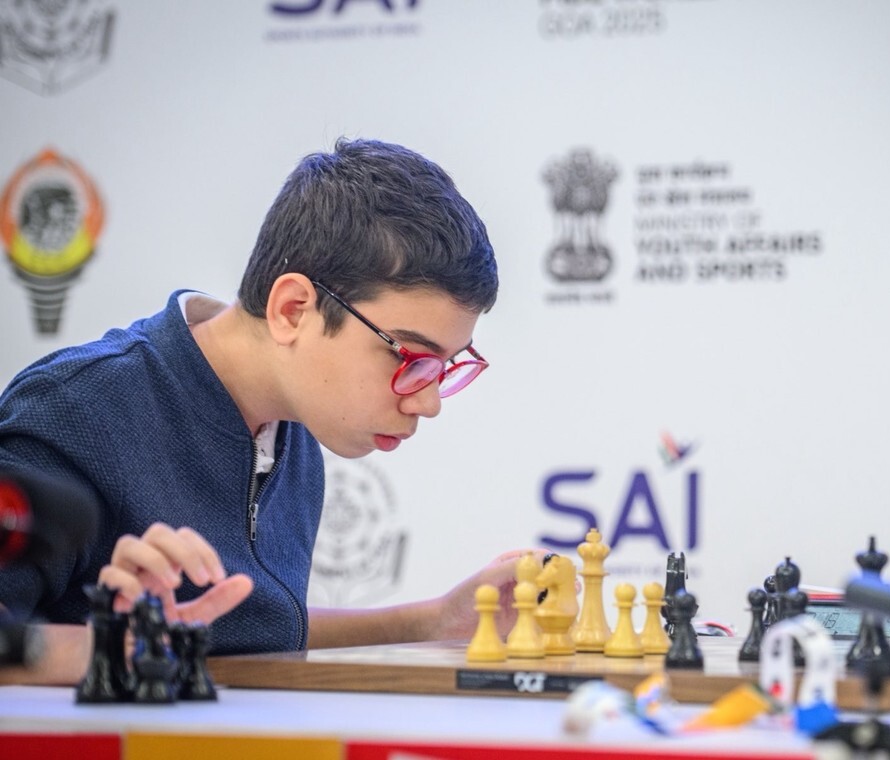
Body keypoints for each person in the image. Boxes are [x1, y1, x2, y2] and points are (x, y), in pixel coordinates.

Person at [0, 139, 526, 684]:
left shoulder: (294, 430)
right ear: (293, 310)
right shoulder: (75, 408)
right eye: (412, 358)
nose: (429, 400)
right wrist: (122, 646)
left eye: (444, 367)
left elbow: (252, 630)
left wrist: (434, 621)